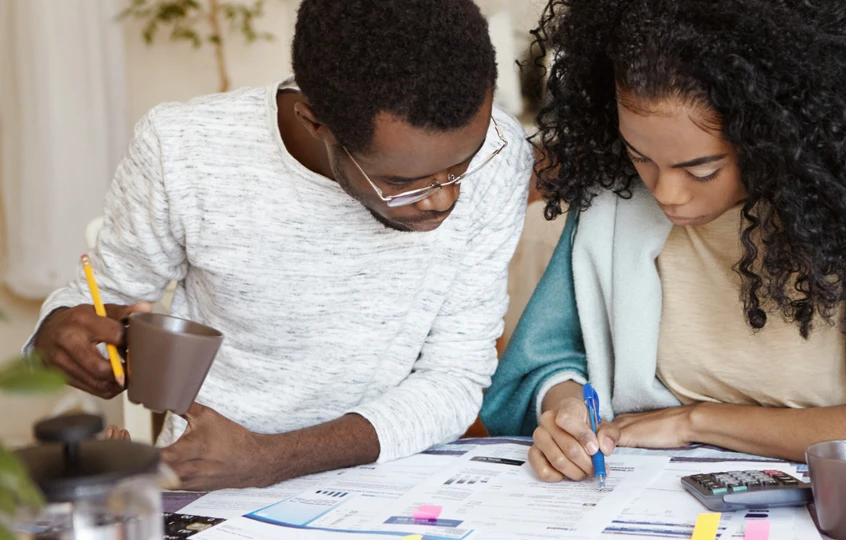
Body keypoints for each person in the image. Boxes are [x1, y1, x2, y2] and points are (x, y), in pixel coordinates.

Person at [28, 0, 534, 491]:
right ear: (315, 121)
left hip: (392, 483)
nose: (445, 198)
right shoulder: (184, 150)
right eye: (404, 181)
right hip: (208, 480)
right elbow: (99, 298)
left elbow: (455, 379)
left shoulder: (502, 155)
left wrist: (273, 459)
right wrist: (57, 332)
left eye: (464, 162)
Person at [481, 0, 846, 482]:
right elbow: (547, 362)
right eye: (641, 156)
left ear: (777, 130)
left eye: (701, 169)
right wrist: (565, 410)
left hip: (827, 496)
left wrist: (694, 422)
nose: (665, 192)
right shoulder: (615, 193)